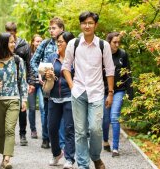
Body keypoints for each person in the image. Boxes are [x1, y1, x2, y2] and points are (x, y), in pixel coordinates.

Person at [62, 11, 115, 169]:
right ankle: (83, 165)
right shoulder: (73, 44)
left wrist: (110, 93)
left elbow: (110, 70)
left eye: (90, 23)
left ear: (95, 25)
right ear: (81, 25)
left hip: (97, 93)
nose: (87, 26)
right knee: (80, 132)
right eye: (84, 23)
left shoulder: (103, 45)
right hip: (78, 92)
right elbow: (66, 68)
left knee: (95, 129)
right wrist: (72, 86)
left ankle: (95, 157)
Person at [0, 32, 28, 169]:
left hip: (14, 98)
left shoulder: (18, 60)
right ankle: (3, 156)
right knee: (1, 131)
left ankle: (7, 159)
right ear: (3, 43)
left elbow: (22, 81)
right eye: (11, 42)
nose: (13, 45)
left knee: (10, 129)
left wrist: (24, 99)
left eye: (14, 42)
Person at [29, 17, 65, 149]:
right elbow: (33, 61)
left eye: (54, 28)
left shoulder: (69, 42)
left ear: (61, 29)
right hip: (48, 83)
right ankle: (46, 137)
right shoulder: (45, 44)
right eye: (50, 28)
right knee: (47, 110)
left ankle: (62, 141)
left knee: (63, 112)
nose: (51, 30)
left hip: (64, 82)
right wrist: (39, 73)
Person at [45, 31, 76, 169]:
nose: (58, 44)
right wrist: (48, 75)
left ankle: (69, 158)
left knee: (69, 128)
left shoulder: (76, 58)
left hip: (70, 96)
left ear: (69, 44)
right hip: (54, 97)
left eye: (61, 41)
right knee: (51, 128)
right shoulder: (52, 57)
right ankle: (57, 153)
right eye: (57, 41)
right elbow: (44, 76)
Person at [102, 32, 133, 157]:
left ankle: (115, 148)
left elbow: (128, 74)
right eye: (114, 42)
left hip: (119, 90)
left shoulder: (123, 54)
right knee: (105, 119)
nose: (117, 44)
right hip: (104, 91)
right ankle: (105, 140)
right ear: (108, 42)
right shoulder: (102, 54)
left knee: (115, 118)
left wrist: (131, 93)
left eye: (118, 42)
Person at [5, 22, 31, 146]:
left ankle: (22, 134)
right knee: (8, 108)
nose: (10, 35)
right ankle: (9, 134)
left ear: (15, 32)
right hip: (7, 81)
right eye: (7, 32)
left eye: (12, 33)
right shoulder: (3, 43)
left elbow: (29, 64)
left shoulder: (24, 45)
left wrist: (30, 82)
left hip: (21, 80)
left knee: (22, 107)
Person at [28, 34, 44, 139]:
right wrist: (28, 83)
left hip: (42, 84)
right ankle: (33, 130)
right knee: (32, 108)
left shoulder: (44, 53)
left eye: (40, 41)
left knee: (43, 107)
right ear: (33, 42)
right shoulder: (29, 54)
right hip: (32, 84)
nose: (38, 43)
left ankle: (45, 130)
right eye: (37, 41)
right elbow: (26, 70)